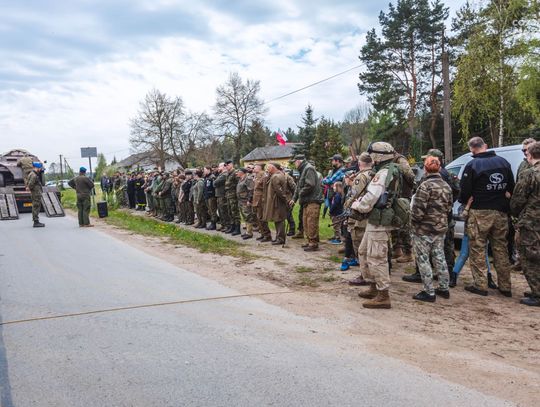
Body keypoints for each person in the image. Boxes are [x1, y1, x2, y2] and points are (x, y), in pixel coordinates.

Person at [458, 136, 514, 297]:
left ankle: (480, 285)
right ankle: (505, 286)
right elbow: (511, 186)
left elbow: (465, 192)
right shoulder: (503, 162)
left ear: (471, 149)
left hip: (479, 211)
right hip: (500, 212)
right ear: (486, 146)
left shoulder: (473, 165)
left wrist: (466, 202)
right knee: (501, 249)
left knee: (477, 248)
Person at [351, 142, 403, 309]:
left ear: (378, 156)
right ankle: (373, 286)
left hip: (379, 220)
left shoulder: (383, 173)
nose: (371, 158)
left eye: (372, 154)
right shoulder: (390, 170)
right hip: (376, 219)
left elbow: (372, 196)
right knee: (364, 251)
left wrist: (357, 206)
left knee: (376, 257)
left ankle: (383, 295)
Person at [410, 156, 453, 302]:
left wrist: (414, 224)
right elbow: (449, 207)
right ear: (439, 168)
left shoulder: (425, 186)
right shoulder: (446, 186)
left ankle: (429, 291)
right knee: (439, 257)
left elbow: (417, 211)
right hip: (440, 228)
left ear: (425, 168)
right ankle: (444, 288)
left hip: (424, 229)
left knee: (423, 260)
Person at [510, 141, 540, 307]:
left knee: (530, 257)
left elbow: (518, 200)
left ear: (530, 155)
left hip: (531, 222)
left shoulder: (529, 174)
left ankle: (537, 292)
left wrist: (515, 213)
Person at [346, 152, 375, 281]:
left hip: (359, 215)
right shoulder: (375, 174)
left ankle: (364, 274)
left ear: (359, 163)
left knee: (359, 244)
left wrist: (347, 206)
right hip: (371, 214)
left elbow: (354, 195)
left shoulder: (361, 176)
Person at [291, 155, 323, 252]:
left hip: (313, 200)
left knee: (311, 222)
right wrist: (294, 198)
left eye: (294, 162)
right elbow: (298, 186)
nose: (294, 164)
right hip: (307, 201)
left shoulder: (308, 168)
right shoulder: (303, 170)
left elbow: (310, 184)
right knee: (306, 222)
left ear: (299, 161)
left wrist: (301, 193)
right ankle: (310, 240)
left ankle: (313, 243)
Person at [264, 163, 292, 246]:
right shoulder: (277, 175)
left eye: (268, 167)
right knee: (278, 219)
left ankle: (280, 238)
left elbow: (279, 191)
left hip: (277, 202)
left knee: (279, 220)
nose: (267, 169)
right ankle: (278, 237)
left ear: (273, 167)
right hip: (277, 201)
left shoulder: (276, 176)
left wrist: (285, 200)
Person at [322, 154, 345, 242]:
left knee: (337, 217)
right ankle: (336, 235)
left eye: (333, 160)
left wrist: (328, 181)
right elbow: (325, 180)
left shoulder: (341, 170)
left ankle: (339, 237)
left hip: (337, 196)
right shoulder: (333, 171)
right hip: (331, 195)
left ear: (337, 161)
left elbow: (329, 181)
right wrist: (327, 181)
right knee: (333, 217)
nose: (331, 162)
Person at [252, 163, 272, 242]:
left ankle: (267, 235)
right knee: (258, 218)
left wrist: (264, 200)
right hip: (256, 199)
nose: (254, 168)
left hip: (261, 200)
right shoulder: (257, 175)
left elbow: (265, 190)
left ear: (260, 168)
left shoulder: (264, 176)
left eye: (256, 167)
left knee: (262, 218)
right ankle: (263, 234)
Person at [236, 168, 255, 239]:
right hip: (241, 200)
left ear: (242, 172)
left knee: (248, 216)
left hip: (245, 201)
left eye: (238, 172)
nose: (237, 173)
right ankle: (247, 231)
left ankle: (249, 233)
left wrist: (249, 200)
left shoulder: (248, 179)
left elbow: (251, 190)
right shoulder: (240, 179)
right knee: (244, 216)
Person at [224, 160, 241, 236]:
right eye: (225, 166)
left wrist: (237, 195)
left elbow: (238, 184)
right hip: (228, 195)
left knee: (235, 212)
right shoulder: (228, 174)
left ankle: (237, 228)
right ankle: (232, 226)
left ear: (231, 165)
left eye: (227, 165)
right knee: (230, 212)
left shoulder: (235, 173)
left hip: (234, 196)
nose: (226, 167)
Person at [26, 161, 45, 228]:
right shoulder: (34, 175)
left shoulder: (31, 174)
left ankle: (36, 221)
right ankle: (36, 222)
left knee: (35, 206)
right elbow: (30, 184)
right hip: (36, 193)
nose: (40, 169)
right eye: (39, 168)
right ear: (37, 167)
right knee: (36, 206)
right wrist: (29, 188)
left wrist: (29, 187)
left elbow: (28, 183)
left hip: (35, 192)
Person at [214, 163, 231, 232]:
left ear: (223, 167)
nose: (218, 168)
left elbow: (215, 183)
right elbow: (215, 183)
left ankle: (227, 225)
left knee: (224, 211)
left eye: (219, 166)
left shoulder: (224, 174)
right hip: (219, 195)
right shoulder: (220, 174)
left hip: (222, 195)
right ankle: (223, 225)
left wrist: (215, 182)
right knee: (220, 211)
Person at [204, 166, 218, 230]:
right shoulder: (206, 177)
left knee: (212, 210)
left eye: (205, 170)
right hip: (207, 196)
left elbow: (214, 186)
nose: (204, 171)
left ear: (209, 170)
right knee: (210, 210)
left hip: (211, 196)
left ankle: (213, 224)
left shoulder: (212, 177)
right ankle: (212, 222)